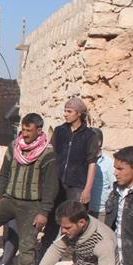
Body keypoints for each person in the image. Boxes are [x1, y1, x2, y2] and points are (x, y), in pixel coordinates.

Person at [0, 112, 58, 265]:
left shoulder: (48, 154)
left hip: (32, 205)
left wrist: (44, 212)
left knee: (27, 244)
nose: (25, 134)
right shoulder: (14, 146)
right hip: (9, 199)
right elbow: (4, 173)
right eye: (23, 130)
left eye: (29, 130)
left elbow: (50, 186)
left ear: (39, 130)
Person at [42, 97, 101, 249]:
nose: (65, 114)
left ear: (79, 114)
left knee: (75, 220)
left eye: (69, 111)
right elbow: (50, 155)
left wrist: (87, 189)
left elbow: (92, 163)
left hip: (77, 184)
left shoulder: (90, 136)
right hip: (57, 182)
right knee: (53, 218)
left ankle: (79, 254)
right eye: (65, 111)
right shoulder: (59, 131)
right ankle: (45, 251)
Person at [88, 129, 114, 221]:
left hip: (100, 212)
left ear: (98, 142)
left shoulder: (109, 163)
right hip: (84, 209)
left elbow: (114, 187)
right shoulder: (83, 160)